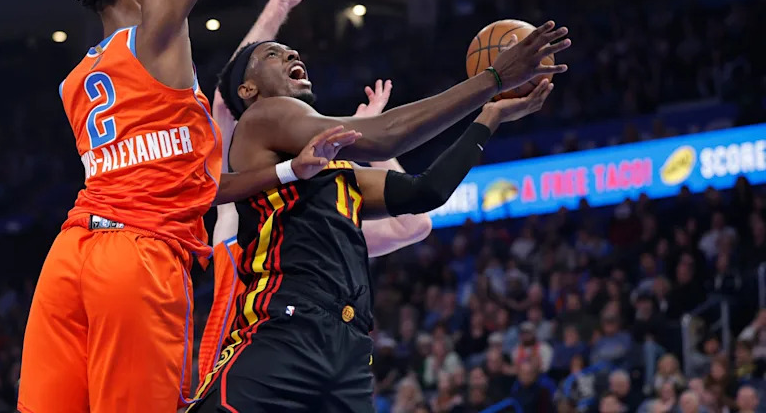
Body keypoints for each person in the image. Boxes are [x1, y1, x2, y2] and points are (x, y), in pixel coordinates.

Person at [17, 0, 357, 412]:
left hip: (69, 258)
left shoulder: (77, 84)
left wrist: (285, 169)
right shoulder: (156, 33)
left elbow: (190, 184)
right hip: (136, 258)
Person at [189, 21, 569, 411]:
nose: (291, 54)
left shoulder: (339, 175)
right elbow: (386, 134)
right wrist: (493, 78)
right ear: (247, 90)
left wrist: (490, 119)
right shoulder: (262, 117)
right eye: (272, 53)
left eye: (291, 50)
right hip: (283, 330)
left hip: (348, 351)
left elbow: (427, 191)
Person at [196, 0, 433, 380]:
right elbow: (227, 101)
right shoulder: (244, 192)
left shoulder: (327, 207)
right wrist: (278, 6)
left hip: (319, 362)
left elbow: (413, 224)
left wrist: (368, 146)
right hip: (248, 363)